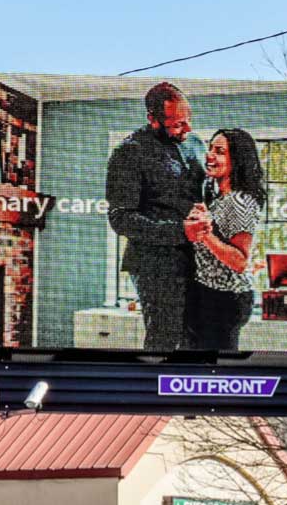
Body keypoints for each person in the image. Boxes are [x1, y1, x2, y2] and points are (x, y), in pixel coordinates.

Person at [105, 82, 206, 350]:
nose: (187, 129)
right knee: (166, 340)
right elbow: (121, 218)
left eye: (188, 121)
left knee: (197, 340)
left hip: (198, 261)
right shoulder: (129, 152)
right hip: (155, 266)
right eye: (177, 124)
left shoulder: (196, 144)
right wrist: (179, 231)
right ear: (153, 119)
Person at [183, 128, 265, 351]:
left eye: (219, 151)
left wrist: (205, 232)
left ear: (237, 159)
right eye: (210, 148)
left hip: (225, 300)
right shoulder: (219, 196)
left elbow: (239, 261)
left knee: (217, 367)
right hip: (209, 293)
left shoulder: (240, 202)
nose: (209, 155)